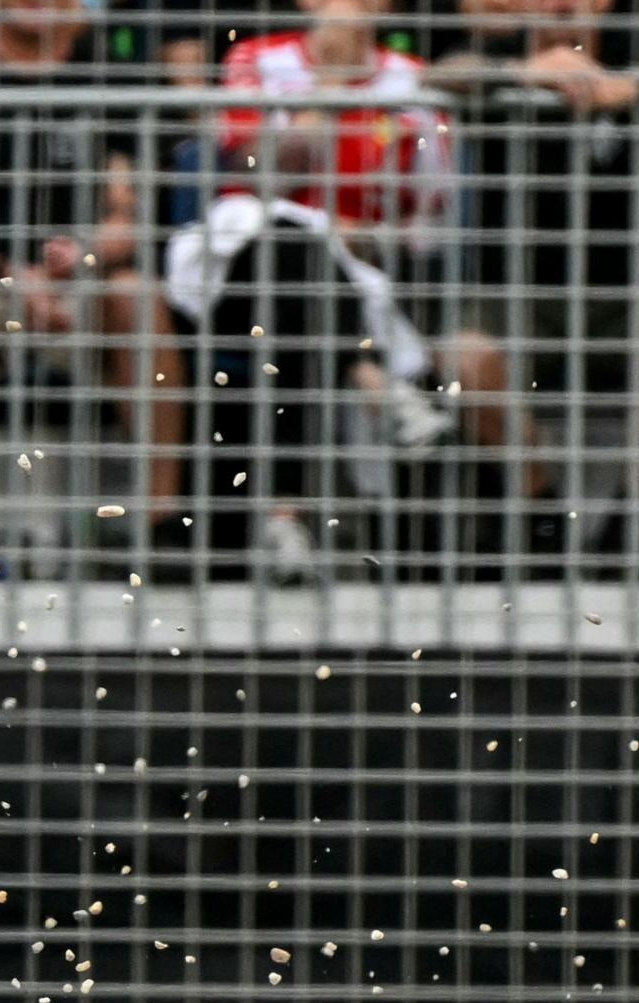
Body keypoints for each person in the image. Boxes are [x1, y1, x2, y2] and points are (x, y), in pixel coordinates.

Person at [170, 0, 463, 580]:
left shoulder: (412, 80)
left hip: (343, 280)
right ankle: (374, 380)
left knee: (302, 292)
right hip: (241, 272)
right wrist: (328, 86)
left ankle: (285, 520)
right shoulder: (255, 59)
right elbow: (258, 172)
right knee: (286, 241)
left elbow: (432, 221)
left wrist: (372, 238)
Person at [425, 0, 639, 550]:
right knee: (460, 356)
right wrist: (519, 75)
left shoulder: (637, 44)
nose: (563, 5)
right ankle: (542, 510)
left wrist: (632, 86)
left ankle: (627, 522)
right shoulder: (503, 49)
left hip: (627, 287)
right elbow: (442, 72)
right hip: (517, 292)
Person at [0, 0, 190, 562]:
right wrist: (11, 276)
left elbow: (131, 213)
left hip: (88, 285)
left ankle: (162, 526)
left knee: (137, 296)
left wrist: (83, 255)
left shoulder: (116, 72)